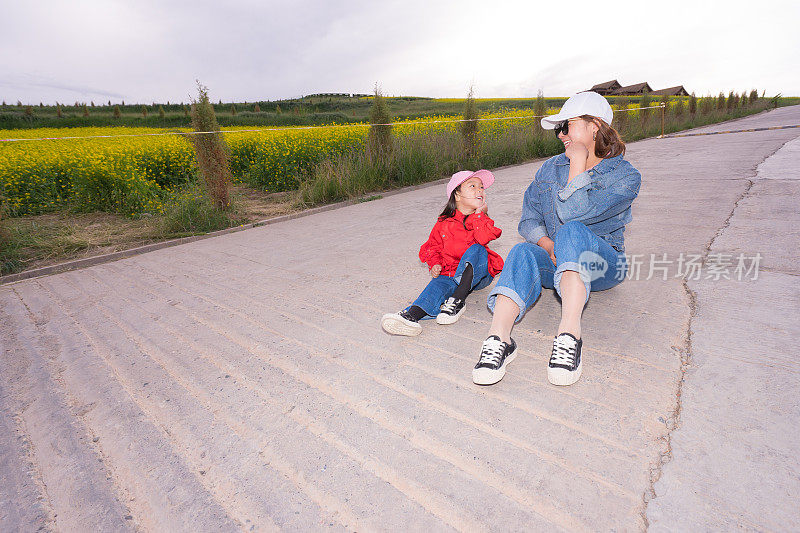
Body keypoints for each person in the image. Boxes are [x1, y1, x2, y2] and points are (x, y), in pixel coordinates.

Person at [472, 92, 641, 387]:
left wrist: (577, 165)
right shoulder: (549, 168)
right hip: (557, 259)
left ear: (595, 126)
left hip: (604, 265)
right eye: (559, 128)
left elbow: (575, 215)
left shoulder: (625, 176)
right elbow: (529, 219)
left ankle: (568, 335)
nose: (561, 134)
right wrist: (547, 244)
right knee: (523, 251)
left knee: (571, 231)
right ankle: (498, 339)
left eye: (568, 125)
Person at [381, 169, 504, 336]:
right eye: (473, 186)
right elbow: (433, 246)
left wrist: (479, 214)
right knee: (437, 284)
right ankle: (411, 316)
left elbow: (484, 238)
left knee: (477, 249)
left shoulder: (481, 219)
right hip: (451, 272)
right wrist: (435, 263)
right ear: (457, 196)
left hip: (479, 274)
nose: (480, 190)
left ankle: (458, 301)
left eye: (481, 187)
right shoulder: (443, 223)